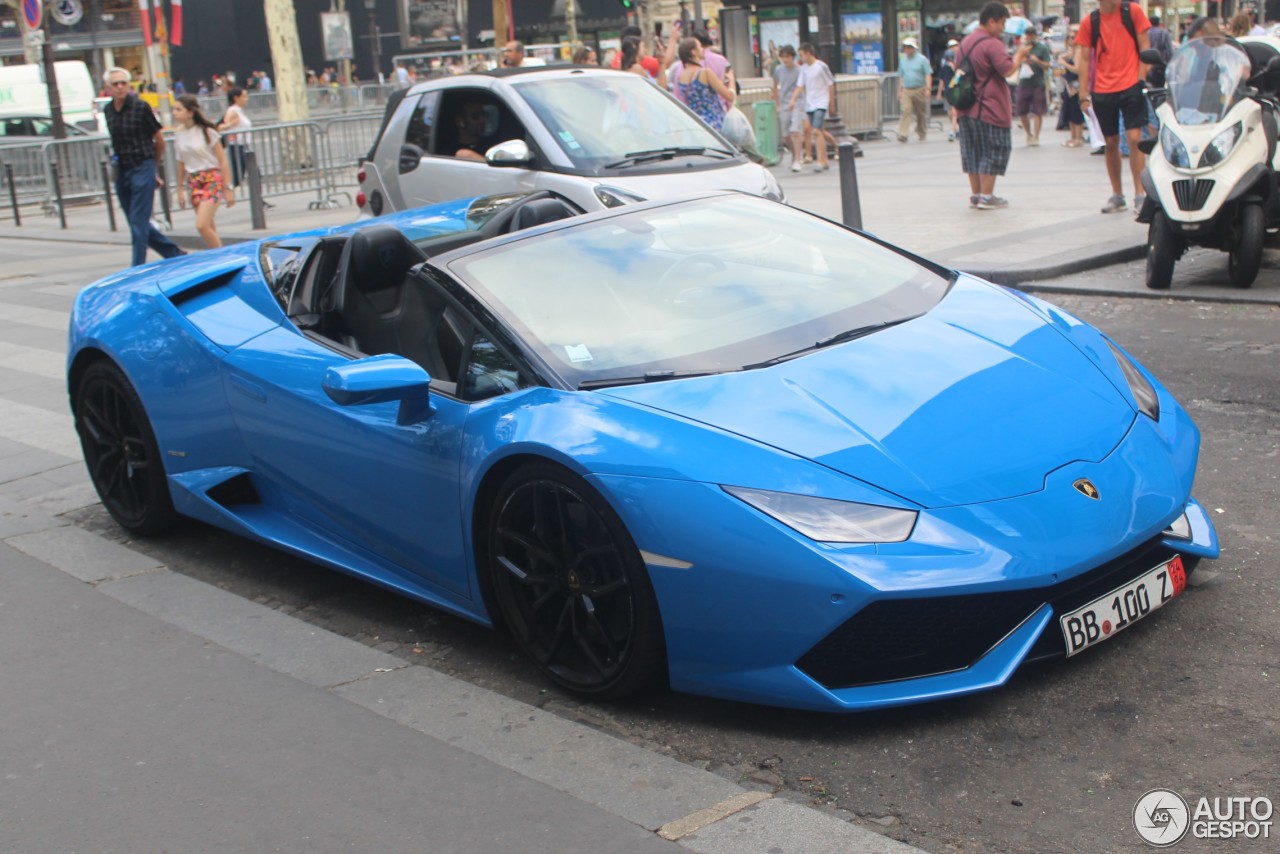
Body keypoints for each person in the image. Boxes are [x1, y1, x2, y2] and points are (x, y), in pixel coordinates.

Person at [1075, 0, 1153, 214]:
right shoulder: (1090, 22)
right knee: (1110, 143)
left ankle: (1140, 193)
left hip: (1131, 85)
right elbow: (1084, 58)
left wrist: (1140, 78)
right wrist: (1083, 93)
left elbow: (1145, 46)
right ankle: (1117, 194)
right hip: (1102, 88)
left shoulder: (1133, 12)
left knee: (1135, 138)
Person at [101, 67, 184, 267]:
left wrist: (152, 169)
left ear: (129, 85)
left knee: (138, 221)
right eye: (115, 84)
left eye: (123, 83)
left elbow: (159, 140)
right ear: (108, 87)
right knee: (134, 220)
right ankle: (174, 253)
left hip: (143, 165)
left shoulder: (140, 107)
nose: (120, 87)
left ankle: (137, 267)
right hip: (122, 168)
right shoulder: (108, 110)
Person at [956, 3, 1015, 209]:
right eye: (1002, 22)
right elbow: (1007, 69)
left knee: (972, 151)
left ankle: (976, 195)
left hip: (966, 107)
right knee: (993, 149)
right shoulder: (992, 44)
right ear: (991, 21)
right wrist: (1022, 55)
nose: (1002, 27)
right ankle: (987, 196)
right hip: (989, 107)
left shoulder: (964, 43)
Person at [171, 95, 234, 249]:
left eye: (178, 109)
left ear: (190, 112)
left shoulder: (207, 131)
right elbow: (180, 162)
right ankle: (217, 254)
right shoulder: (178, 134)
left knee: (201, 224)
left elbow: (222, 159)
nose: (174, 113)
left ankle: (222, 256)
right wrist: (179, 188)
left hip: (211, 177)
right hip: (194, 180)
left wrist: (228, 187)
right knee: (209, 227)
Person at [669, 37, 733, 132]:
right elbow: (729, 96)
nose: (702, 49)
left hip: (695, 125)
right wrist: (731, 80)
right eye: (699, 47)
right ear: (693, 52)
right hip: (714, 123)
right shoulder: (705, 73)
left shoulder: (681, 76)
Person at [793, 42, 837, 172]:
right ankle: (824, 159)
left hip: (821, 102)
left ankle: (820, 160)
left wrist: (831, 103)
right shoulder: (803, 69)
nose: (800, 58)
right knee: (819, 131)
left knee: (816, 131)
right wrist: (793, 99)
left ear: (808, 53)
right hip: (810, 103)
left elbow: (830, 84)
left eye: (801, 55)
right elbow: (800, 86)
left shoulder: (821, 67)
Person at [1014, 29, 1053, 146]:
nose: (1030, 37)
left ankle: (1036, 136)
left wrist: (1037, 61)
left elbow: (1047, 65)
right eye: (1028, 35)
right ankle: (1028, 134)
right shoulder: (1022, 48)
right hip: (1024, 82)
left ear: (1035, 35)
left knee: (1038, 111)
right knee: (1021, 110)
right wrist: (1022, 60)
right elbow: (1014, 62)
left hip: (1038, 83)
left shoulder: (1042, 48)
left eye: (1032, 34)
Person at [772, 45, 805, 171]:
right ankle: (794, 153)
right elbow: (774, 85)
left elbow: (800, 86)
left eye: (788, 57)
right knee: (786, 134)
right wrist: (777, 103)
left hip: (797, 102)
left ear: (792, 57)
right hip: (784, 103)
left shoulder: (799, 70)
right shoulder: (779, 70)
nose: (785, 60)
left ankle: (797, 159)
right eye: (783, 57)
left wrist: (793, 99)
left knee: (795, 130)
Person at [896, 38, 933, 142]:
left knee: (921, 112)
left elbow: (928, 74)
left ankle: (921, 131)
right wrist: (899, 90)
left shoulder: (922, 60)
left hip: (920, 88)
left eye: (909, 47)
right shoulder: (903, 61)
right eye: (906, 47)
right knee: (905, 110)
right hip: (907, 89)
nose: (907, 50)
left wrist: (928, 88)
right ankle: (903, 133)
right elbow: (901, 77)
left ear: (914, 48)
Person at [217, 87, 252, 189]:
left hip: (243, 145)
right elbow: (221, 127)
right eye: (244, 96)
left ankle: (259, 200)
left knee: (251, 173)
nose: (247, 98)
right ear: (236, 98)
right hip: (237, 146)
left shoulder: (238, 110)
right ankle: (228, 193)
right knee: (239, 175)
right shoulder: (232, 111)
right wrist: (231, 124)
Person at [1057, 35, 1086, 147]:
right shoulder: (1072, 51)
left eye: (1073, 37)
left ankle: (1078, 137)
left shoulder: (1078, 51)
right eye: (1068, 37)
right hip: (1069, 83)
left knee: (1075, 111)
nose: (1070, 39)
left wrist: (1064, 63)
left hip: (1075, 83)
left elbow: (1077, 69)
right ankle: (1073, 136)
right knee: (1069, 109)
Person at [936, 38, 960, 141]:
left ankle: (953, 131)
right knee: (950, 112)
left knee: (954, 112)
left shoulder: (958, 64)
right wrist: (939, 92)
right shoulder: (945, 67)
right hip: (949, 91)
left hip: (955, 91)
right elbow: (942, 80)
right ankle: (957, 128)